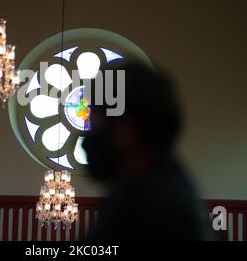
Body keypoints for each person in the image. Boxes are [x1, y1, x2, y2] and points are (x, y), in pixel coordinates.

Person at [83, 62, 210, 240]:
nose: (88, 134)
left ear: (126, 128)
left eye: (94, 120)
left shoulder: (159, 208)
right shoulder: (146, 186)